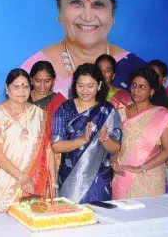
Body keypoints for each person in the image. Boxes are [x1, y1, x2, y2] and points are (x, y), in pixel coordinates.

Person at [22, 0, 147, 97]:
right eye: (76, 3)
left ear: (112, 11)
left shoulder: (137, 70)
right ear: (59, 7)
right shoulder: (30, 71)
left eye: (98, 4)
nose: (88, 17)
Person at [51, 64, 122, 203]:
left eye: (90, 86)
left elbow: (116, 148)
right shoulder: (65, 109)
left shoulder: (108, 111)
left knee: (99, 220)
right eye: (80, 85)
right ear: (74, 85)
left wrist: (105, 140)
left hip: (98, 179)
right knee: (70, 218)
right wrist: (82, 140)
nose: (84, 91)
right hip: (69, 177)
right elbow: (56, 146)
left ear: (99, 85)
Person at [0, 69, 55, 213]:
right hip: (6, 181)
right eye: (16, 87)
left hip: (35, 181)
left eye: (25, 86)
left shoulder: (39, 114)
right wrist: (22, 178)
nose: (21, 91)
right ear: (7, 88)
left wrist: (54, 183)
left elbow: (48, 150)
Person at [112, 67, 168, 199]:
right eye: (134, 85)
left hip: (150, 177)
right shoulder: (120, 114)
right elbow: (115, 146)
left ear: (151, 91)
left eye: (142, 87)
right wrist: (113, 160)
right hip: (123, 174)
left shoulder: (163, 115)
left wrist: (141, 168)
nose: (136, 90)